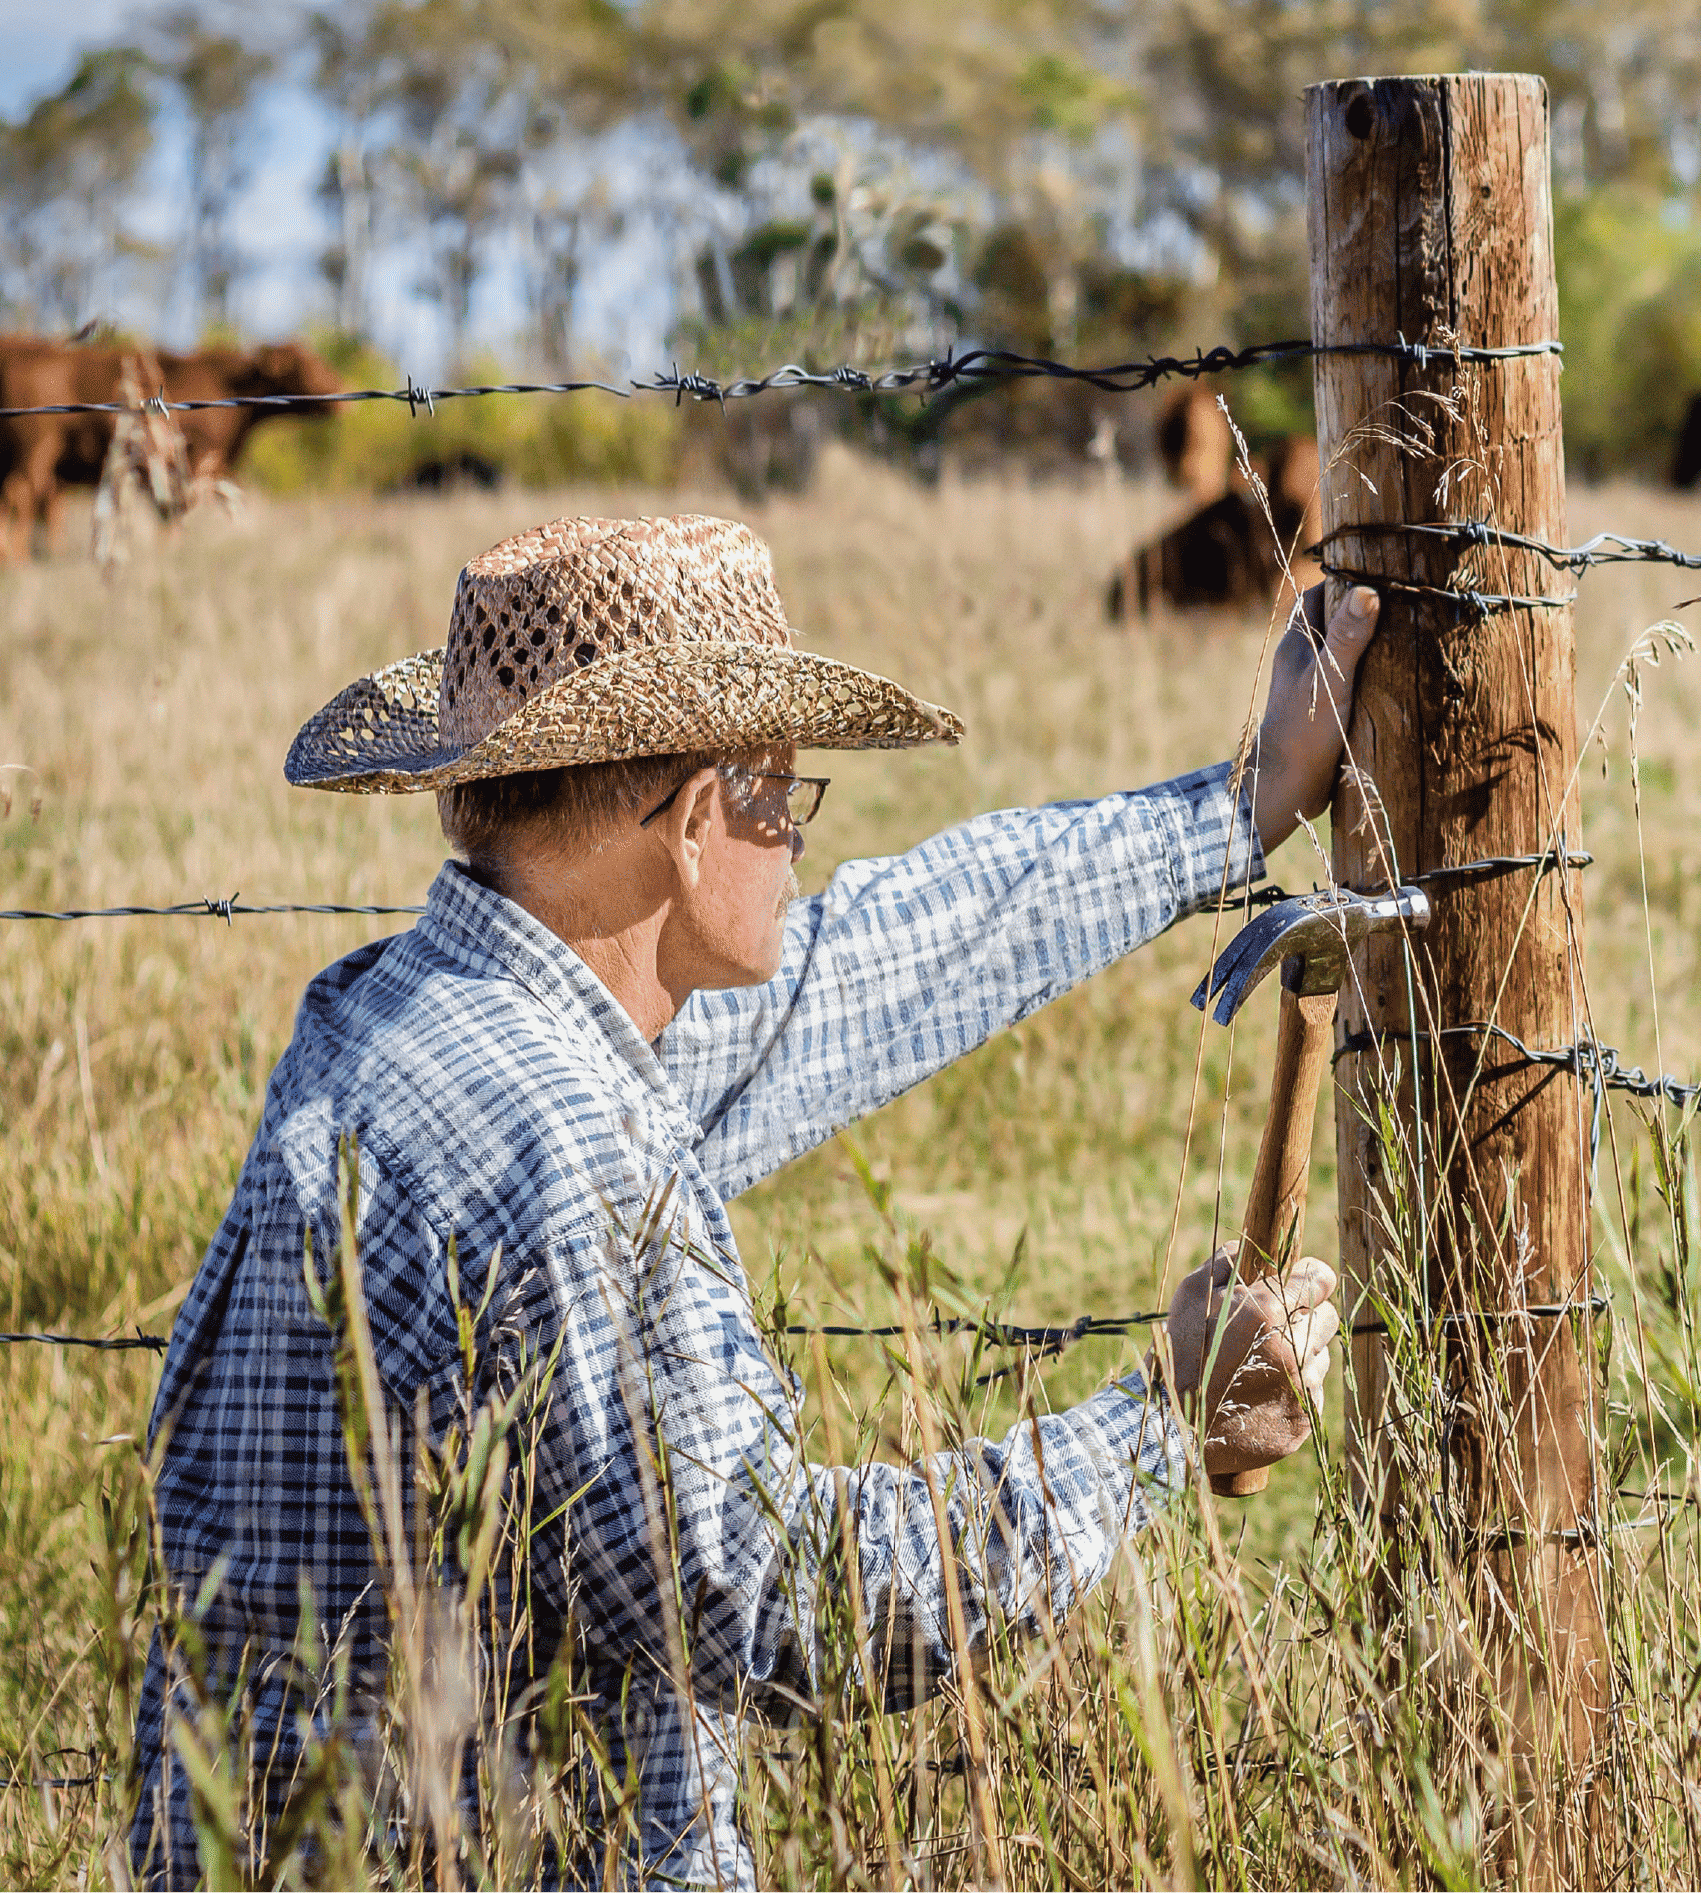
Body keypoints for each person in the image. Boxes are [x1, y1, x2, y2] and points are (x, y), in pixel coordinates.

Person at [129, 511, 1381, 1889]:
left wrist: (1238, 807)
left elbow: (882, 960)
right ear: (688, 823)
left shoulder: (399, 1019)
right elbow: (776, 1598)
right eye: (784, 795)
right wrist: (1157, 1423)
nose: (794, 846)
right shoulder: (570, 1148)